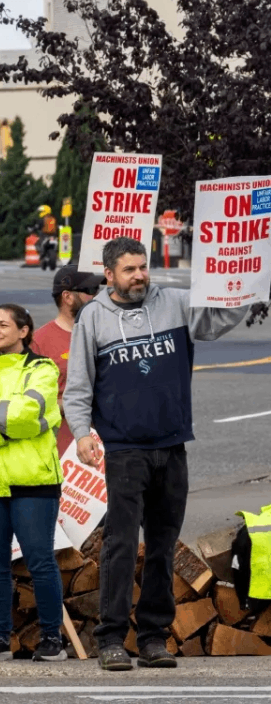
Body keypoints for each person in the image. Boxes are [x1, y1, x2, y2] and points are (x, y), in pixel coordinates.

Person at [64, 237, 249, 671]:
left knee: (163, 548)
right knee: (121, 546)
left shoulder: (175, 303)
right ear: (109, 274)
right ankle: (110, 639)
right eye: (129, 269)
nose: (140, 276)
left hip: (172, 446)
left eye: (143, 267)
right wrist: (82, 434)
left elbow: (216, 321)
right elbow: (77, 387)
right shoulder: (93, 318)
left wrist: (242, 290)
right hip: (125, 450)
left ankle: (152, 638)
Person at [0, 304, 67, 663]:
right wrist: (8, 427)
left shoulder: (43, 369)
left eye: (3, 324)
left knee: (40, 562)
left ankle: (52, 638)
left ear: (24, 331)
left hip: (34, 482)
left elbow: (32, 415)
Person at [30, 266, 105, 454]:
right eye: (89, 291)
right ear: (67, 297)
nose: (96, 296)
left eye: (97, 290)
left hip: (110, 446)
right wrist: (76, 403)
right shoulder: (39, 342)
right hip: (64, 450)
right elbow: (29, 404)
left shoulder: (107, 333)